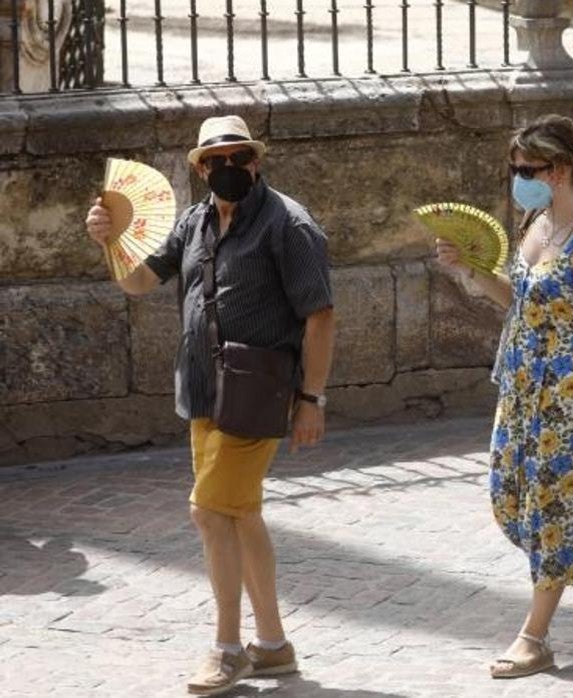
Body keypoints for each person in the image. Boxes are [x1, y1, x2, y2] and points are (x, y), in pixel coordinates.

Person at [84, 115, 335, 696]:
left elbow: (319, 315)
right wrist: (111, 240)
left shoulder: (288, 225)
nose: (228, 167)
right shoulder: (195, 222)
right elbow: (141, 283)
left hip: (259, 389)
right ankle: (271, 645)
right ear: (200, 169)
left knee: (208, 511)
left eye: (238, 156)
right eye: (215, 160)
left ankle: (227, 649)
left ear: (256, 161)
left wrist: (312, 398)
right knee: (239, 513)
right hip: (202, 386)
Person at [435, 114, 573, 679]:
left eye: (526, 169)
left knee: (551, 510)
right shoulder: (535, 222)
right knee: (511, 503)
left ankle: (535, 635)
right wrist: (473, 270)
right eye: (515, 169)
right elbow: (519, 301)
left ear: (558, 170)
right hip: (521, 386)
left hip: (567, 397)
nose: (518, 178)